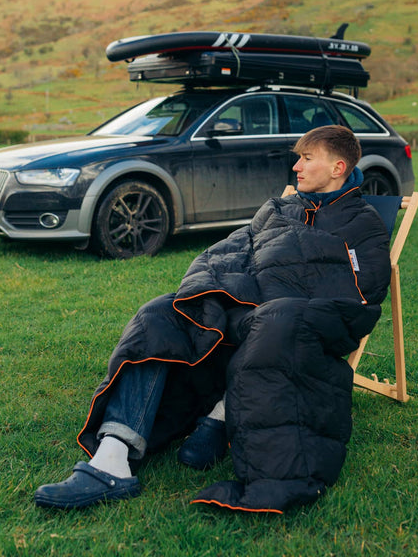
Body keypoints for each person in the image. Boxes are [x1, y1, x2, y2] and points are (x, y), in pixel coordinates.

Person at [34, 125, 392, 513]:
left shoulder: (363, 222)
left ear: (338, 167)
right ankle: (112, 459)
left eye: (307, 158)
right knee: (159, 313)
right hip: (240, 308)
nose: (296, 166)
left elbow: (362, 296)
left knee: (275, 321)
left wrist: (284, 294)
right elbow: (224, 256)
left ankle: (220, 418)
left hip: (293, 319)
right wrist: (213, 291)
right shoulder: (279, 208)